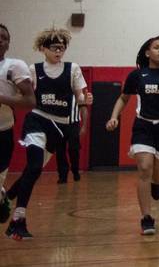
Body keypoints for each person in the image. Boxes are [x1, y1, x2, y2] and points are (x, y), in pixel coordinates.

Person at [4, 28, 92, 240]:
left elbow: (82, 98)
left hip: (59, 128)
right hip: (37, 120)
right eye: (54, 48)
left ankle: (5, 199)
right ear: (43, 48)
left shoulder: (73, 69)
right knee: (34, 167)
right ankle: (18, 220)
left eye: (62, 48)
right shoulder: (33, 70)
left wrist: (84, 119)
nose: (59, 51)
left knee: (30, 172)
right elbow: (21, 95)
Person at [105, 36, 159, 235]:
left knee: (158, 174)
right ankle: (146, 218)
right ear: (147, 52)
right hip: (143, 126)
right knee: (144, 168)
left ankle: (157, 183)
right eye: (156, 47)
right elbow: (123, 98)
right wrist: (113, 117)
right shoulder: (137, 75)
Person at [0, 24, 33, 222]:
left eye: (4, 37)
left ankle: (2, 196)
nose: (0, 39)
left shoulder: (14, 67)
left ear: (8, 44)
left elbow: (30, 101)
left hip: (2, 131)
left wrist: (2, 98)